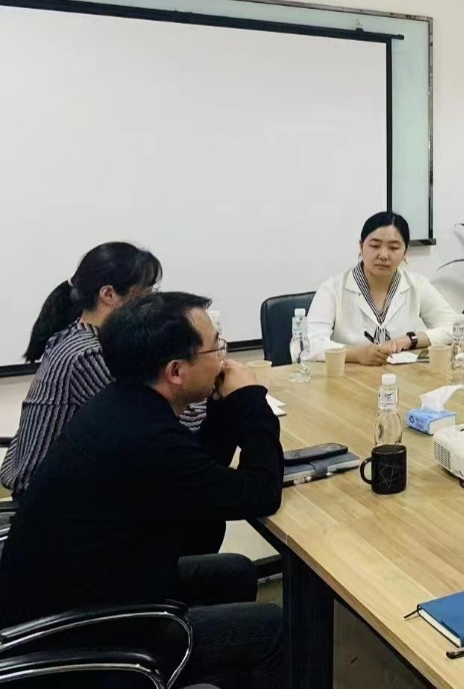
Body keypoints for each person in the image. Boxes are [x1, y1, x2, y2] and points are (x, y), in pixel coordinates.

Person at [0, 292, 285, 687]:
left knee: (234, 573)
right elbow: (261, 493)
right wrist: (252, 400)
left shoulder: (124, 405)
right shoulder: (145, 437)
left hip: (85, 592)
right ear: (175, 371)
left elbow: (196, 471)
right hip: (78, 639)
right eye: (216, 346)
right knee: (275, 627)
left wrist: (223, 406)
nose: (223, 357)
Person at [0, 241, 182, 498]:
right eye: (146, 292)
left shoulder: (80, 336)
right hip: (53, 498)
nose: (152, 302)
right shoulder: (89, 353)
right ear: (108, 294)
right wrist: (208, 393)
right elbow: (153, 419)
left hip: (63, 485)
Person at [307, 211, 461, 366]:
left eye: (393, 248)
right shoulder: (332, 289)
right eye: (375, 246)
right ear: (361, 246)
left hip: (403, 376)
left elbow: (455, 327)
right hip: (348, 376)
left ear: (405, 252)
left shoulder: (417, 285)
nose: (383, 255)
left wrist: (410, 339)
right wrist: (356, 354)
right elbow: (311, 344)